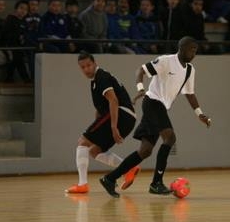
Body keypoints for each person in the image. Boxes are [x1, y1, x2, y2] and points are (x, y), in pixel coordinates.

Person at [99, 36, 211, 198]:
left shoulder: (190, 70)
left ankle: (109, 178)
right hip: (152, 102)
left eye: (195, 50)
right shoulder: (166, 61)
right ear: (181, 48)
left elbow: (190, 94)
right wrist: (140, 88)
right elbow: (141, 71)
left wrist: (199, 114)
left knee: (145, 151)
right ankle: (156, 183)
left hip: (160, 107)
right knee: (170, 138)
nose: (194, 52)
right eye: (191, 49)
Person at [65, 51, 140, 194]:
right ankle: (128, 168)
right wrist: (96, 129)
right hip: (127, 118)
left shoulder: (101, 77)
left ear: (95, 63)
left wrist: (113, 127)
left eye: (88, 65)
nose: (86, 69)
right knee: (94, 151)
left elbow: (113, 100)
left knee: (82, 142)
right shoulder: (95, 82)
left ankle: (83, 185)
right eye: (83, 67)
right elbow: (100, 111)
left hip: (122, 114)